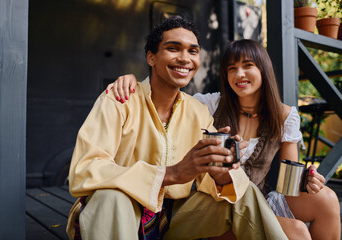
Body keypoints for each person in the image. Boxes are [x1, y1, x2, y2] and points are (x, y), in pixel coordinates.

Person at [66, 17, 289, 240]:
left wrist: (222, 174)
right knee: (112, 197)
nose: (184, 58)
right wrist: (170, 173)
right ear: (151, 57)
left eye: (193, 51)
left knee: (242, 192)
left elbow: (216, 185)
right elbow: (84, 170)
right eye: (173, 49)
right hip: (117, 217)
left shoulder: (197, 111)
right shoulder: (119, 99)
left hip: (171, 221)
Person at [107, 39, 341, 240]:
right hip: (219, 205)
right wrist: (133, 82)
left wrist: (307, 180)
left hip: (259, 200)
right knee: (297, 231)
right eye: (231, 68)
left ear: (263, 70)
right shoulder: (210, 104)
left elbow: (289, 182)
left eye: (247, 65)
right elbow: (167, 95)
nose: (239, 74)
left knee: (328, 198)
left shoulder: (284, 115)